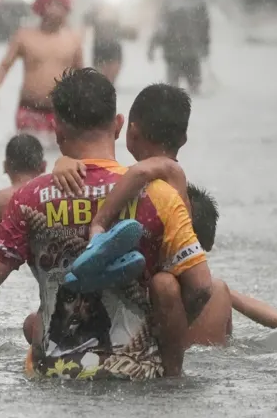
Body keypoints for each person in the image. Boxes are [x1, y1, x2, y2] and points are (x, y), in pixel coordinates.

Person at [0, 69, 216, 380]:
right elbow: (201, 288)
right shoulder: (157, 195)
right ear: (118, 125)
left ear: (57, 131)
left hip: (56, 377)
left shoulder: (29, 197)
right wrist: (159, 329)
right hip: (138, 377)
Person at [53, 84, 233, 347]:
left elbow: (136, 173)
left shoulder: (157, 177)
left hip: (150, 302)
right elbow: (201, 285)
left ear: (130, 131)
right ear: (183, 138)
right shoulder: (178, 186)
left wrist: (99, 221)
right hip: (187, 299)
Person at [0, 0, 84, 139]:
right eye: (52, 4)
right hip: (29, 110)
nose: (56, 10)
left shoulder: (73, 40)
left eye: (60, 6)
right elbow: (4, 67)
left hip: (62, 112)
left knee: (60, 154)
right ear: (41, 7)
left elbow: (81, 75)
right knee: (28, 153)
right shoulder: (24, 36)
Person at [148, 0, 211, 94]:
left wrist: (152, 48)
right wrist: (205, 46)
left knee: (174, 87)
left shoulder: (169, 2)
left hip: (175, 52)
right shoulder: (195, 1)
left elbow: (161, 29)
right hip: (190, 52)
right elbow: (204, 26)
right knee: (193, 86)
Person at [83, 3, 130, 85]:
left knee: (110, 79)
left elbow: (128, 28)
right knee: (102, 79)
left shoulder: (118, 8)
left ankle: (108, 89)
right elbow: (86, 22)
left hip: (114, 47)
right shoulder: (95, 11)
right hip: (100, 48)